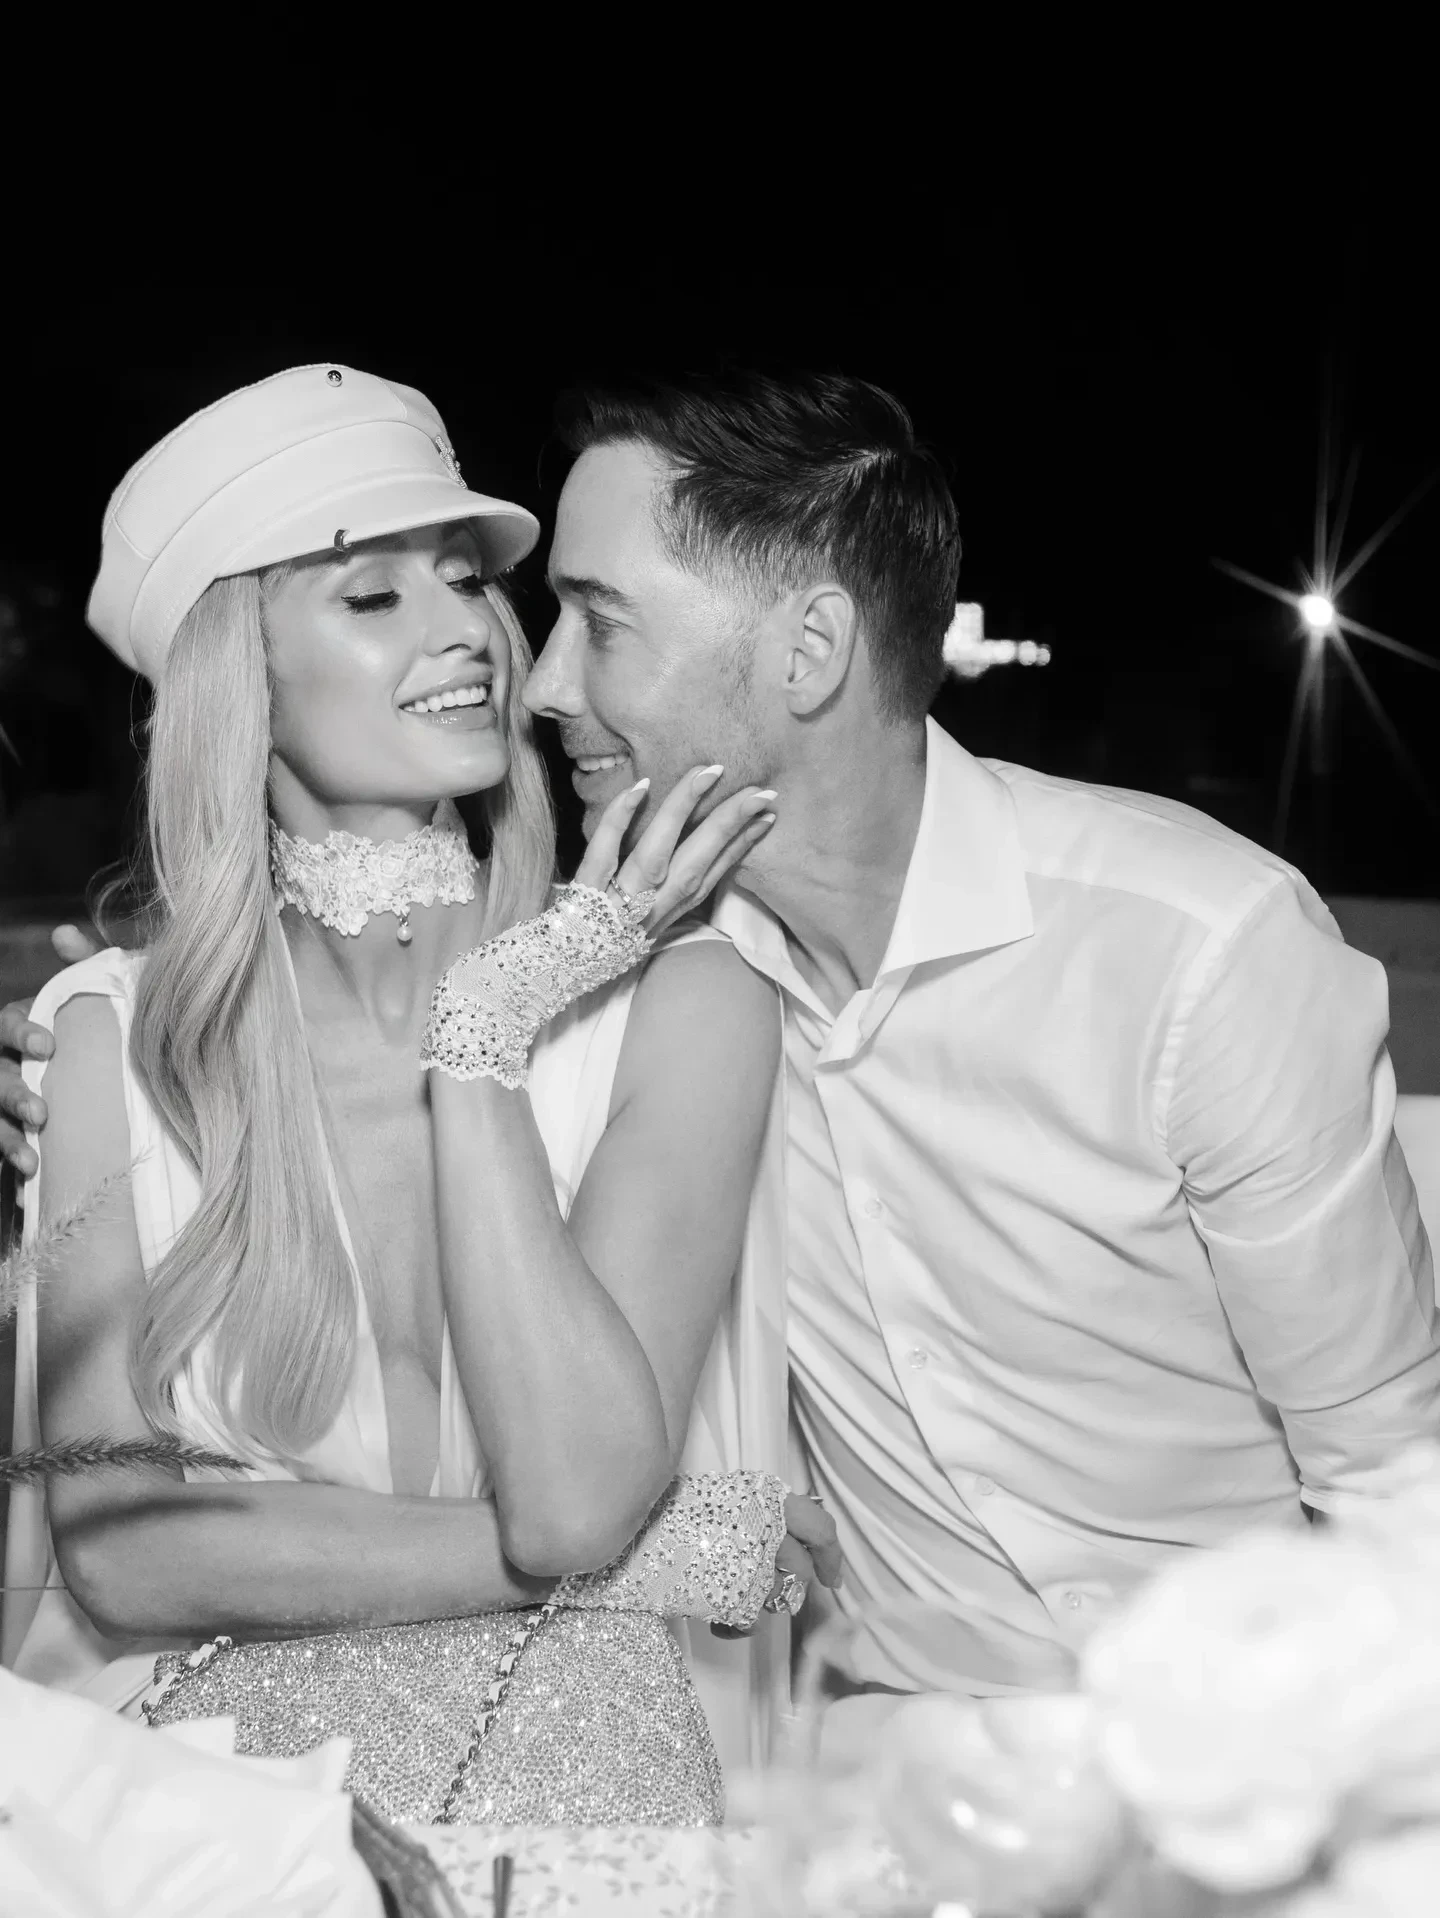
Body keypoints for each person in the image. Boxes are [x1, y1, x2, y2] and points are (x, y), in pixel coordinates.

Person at [7, 365, 1436, 1716]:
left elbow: (1391, 1477)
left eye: (587, 618)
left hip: (1243, 1731)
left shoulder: (1179, 954)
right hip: (879, 1737)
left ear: (809, 650)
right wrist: (108, 1049)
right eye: (387, 593)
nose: (529, 672)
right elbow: (127, 1535)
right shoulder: (662, 955)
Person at [0, 364, 839, 1825]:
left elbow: (571, 1494)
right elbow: (123, 1550)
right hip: (214, 1805)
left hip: (589, 1794)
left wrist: (486, 1029)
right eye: (373, 595)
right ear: (241, 675)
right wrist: (637, 1556)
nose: (465, 627)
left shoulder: (683, 1002)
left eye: (464, 580)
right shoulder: (107, 1039)